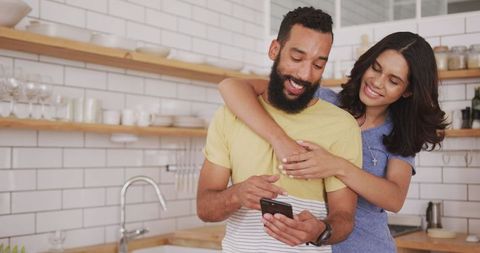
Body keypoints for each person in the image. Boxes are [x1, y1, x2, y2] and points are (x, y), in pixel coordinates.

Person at [217, 31, 448, 252]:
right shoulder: (322, 100)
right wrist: (279, 140)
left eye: (393, 80)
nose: (377, 82)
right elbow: (231, 87)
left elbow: (394, 198)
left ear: (407, 91)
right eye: (375, 68)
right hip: (310, 245)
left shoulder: (399, 133)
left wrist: (337, 165)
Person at [196, 6, 363, 253]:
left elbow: (344, 218)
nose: (305, 74)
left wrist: (320, 231)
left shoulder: (341, 125)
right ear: (275, 50)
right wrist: (237, 194)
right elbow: (205, 208)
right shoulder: (230, 115)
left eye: (318, 64)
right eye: (297, 58)